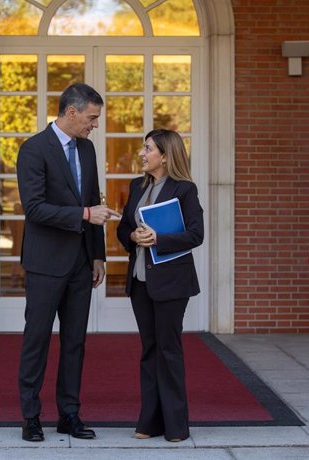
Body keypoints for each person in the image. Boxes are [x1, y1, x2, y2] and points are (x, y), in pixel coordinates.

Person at [16, 83, 120, 442]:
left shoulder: (88, 150)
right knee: (37, 340)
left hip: (80, 264)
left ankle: (69, 416)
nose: (94, 125)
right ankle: (31, 417)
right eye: (92, 118)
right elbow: (35, 208)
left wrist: (97, 255)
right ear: (71, 112)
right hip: (45, 263)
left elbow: (92, 199)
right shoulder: (33, 149)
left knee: (75, 342)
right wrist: (84, 214)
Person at [116, 129, 204, 442]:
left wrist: (159, 239)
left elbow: (196, 234)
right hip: (140, 282)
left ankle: (177, 426)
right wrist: (132, 236)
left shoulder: (185, 190)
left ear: (165, 156)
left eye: (148, 148)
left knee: (168, 351)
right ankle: (150, 423)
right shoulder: (137, 186)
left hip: (171, 283)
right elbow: (124, 227)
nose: (142, 153)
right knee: (149, 350)